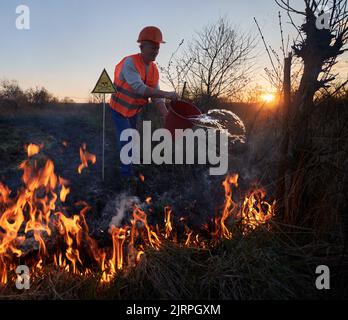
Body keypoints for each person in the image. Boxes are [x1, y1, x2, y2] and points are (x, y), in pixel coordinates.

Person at [109, 26, 178, 179]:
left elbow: (156, 96)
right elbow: (139, 88)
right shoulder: (130, 63)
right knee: (127, 139)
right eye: (153, 47)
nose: (156, 51)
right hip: (118, 109)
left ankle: (129, 165)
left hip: (134, 111)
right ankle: (125, 178)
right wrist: (167, 94)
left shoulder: (153, 70)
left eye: (158, 48)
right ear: (142, 46)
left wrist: (165, 114)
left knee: (132, 138)